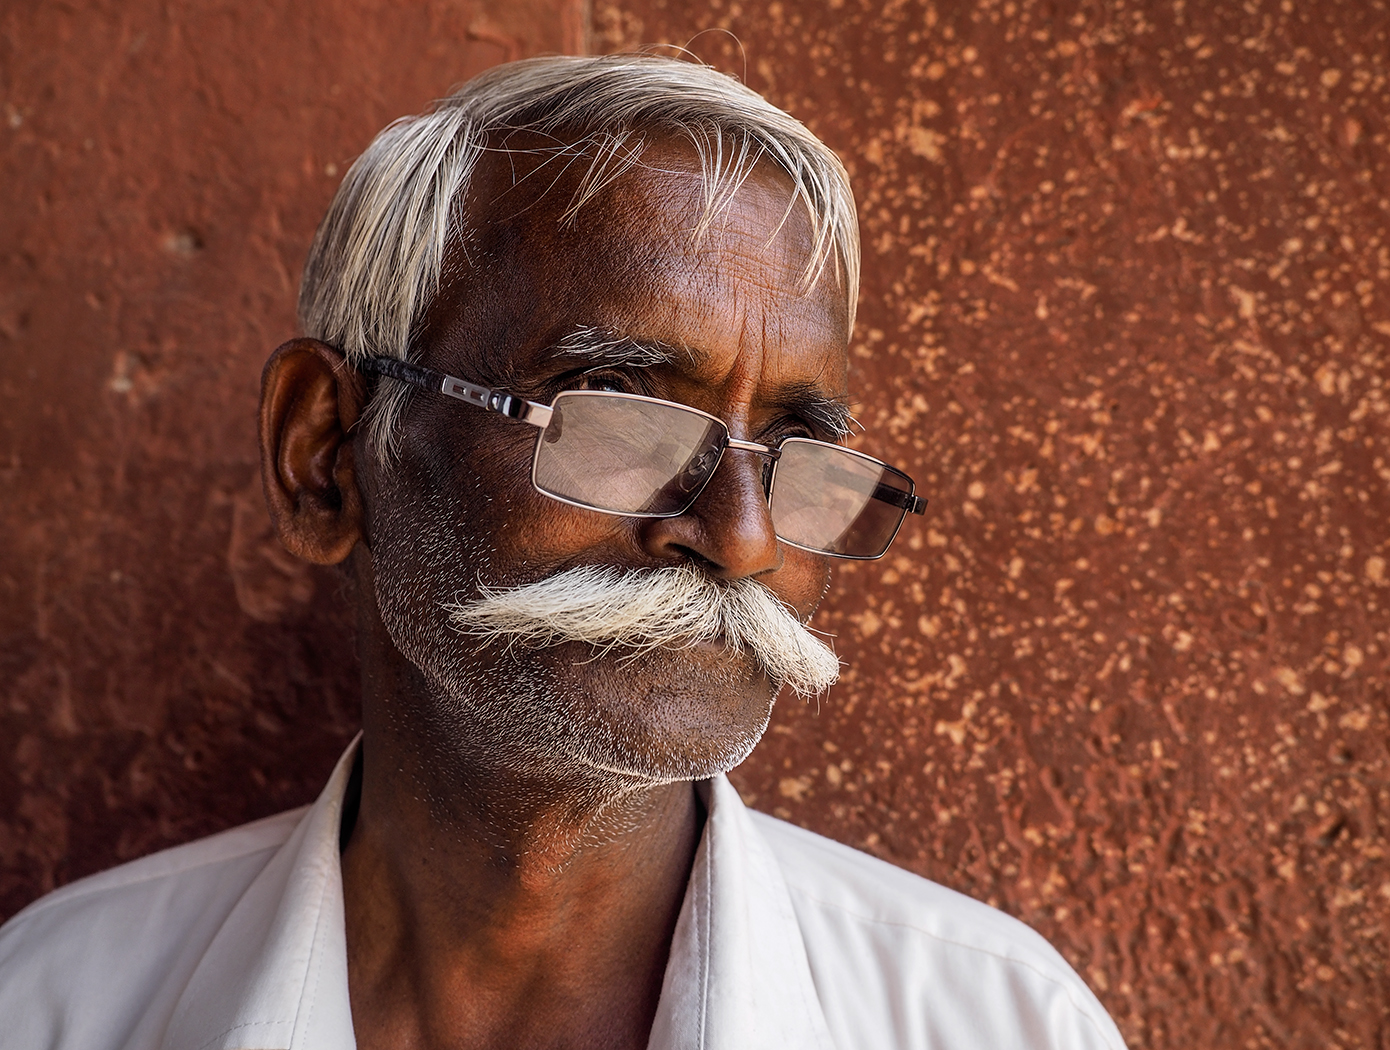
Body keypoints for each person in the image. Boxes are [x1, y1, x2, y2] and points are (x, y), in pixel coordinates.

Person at [0, 55, 1128, 1050]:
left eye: (798, 449)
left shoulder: (998, 1023)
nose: (739, 540)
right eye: (621, 411)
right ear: (327, 455)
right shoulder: (56, 1007)